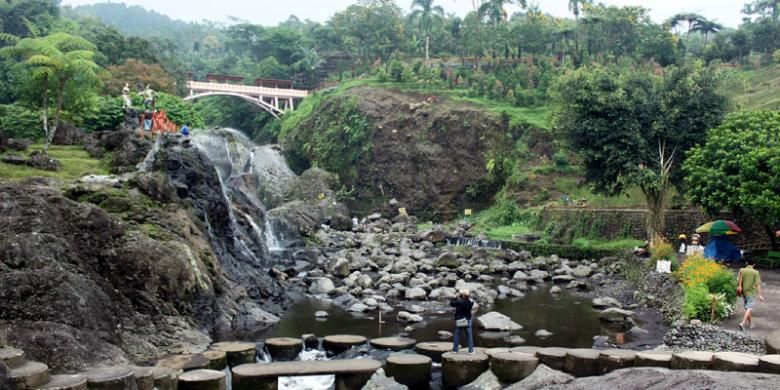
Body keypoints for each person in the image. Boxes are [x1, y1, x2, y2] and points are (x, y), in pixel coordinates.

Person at [737, 258, 765, 331]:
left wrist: (740, 287)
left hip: (744, 292)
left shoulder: (742, 270)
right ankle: (742, 323)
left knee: (747, 308)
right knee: (749, 307)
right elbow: (757, 284)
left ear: (746, 263)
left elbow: (739, 280)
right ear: (754, 264)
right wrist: (759, 295)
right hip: (751, 292)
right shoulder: (755, 272)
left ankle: (750, 324)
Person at [450, 289, 476, 354]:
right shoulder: (471, 302)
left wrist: (454, 297)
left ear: (462, 295)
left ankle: (455, 350)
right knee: (469, 336)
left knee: (457, 335)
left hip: (460, 320)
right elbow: (469, 299)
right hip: (468, 320)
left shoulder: (459, 302)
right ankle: (471, 351)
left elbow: (452, 304)